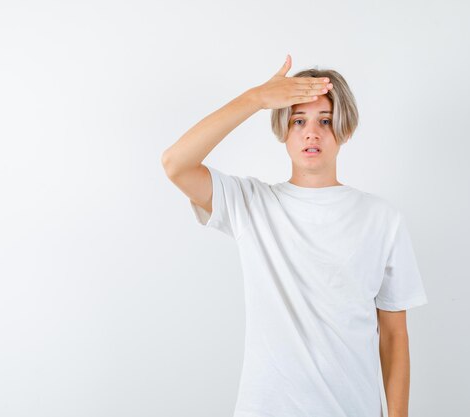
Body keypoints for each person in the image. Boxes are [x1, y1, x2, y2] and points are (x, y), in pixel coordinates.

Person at [161, 54, 428, 417]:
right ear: (283, 129)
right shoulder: (252, 204)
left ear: (344, 129)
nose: (311, 133)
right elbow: (175, 163)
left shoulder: (381, 218)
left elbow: (395, 337)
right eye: (298, 120)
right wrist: (256, 98)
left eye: (326, 121)